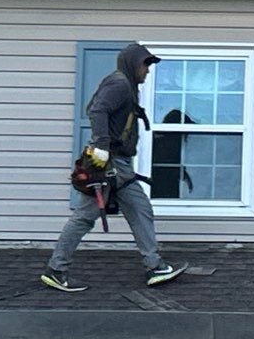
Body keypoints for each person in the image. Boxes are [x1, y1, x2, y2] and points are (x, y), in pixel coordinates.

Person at [42, 43, 186, 292]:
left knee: (140, 209)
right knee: (85, 218)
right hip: (108, 164)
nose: (148, 71)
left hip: (119, 166)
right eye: (145, 65)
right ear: (133, 63)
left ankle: (155, 266)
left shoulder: (127, 86)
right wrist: (101, 146)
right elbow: (97, 110)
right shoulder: (119, 84)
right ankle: (56, 270)